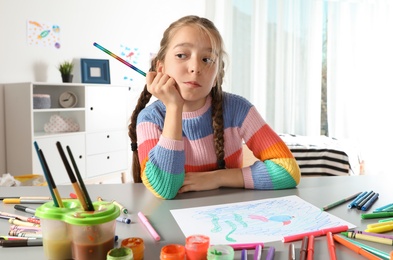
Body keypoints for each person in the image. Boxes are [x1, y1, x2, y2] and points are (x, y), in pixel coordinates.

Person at [128, 15, 300, 199]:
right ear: (160, 67)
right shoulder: (149, 118)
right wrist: (173, 108)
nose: (195, 67)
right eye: (181, 55)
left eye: (207, 59)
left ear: (217, 73)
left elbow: (288, 171)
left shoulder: (238, 109)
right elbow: (165, 189)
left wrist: (217, 178)